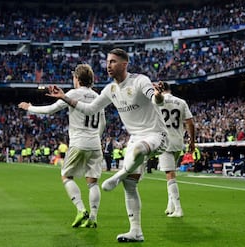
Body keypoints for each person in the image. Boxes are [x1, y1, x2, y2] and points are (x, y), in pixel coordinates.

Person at [44, 48, 168, 243]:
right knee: (131, 185)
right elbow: (90, 108)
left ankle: (119, 175)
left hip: (156, 134)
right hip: (135, 136)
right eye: (108, 61)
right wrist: (64, 97)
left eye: (113, 61)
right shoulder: (110, 90)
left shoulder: (139, 80)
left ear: (124, 64)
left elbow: (155, 98)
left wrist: (159, 96)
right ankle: (136, 231)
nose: (108, 65)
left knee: (136, 151)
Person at [18, 64, 106, 229]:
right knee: (93, 182)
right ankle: (93, 218)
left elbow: (50, 110)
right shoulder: (98, 96)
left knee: (66, 176)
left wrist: (29, 107)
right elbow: (103, 123)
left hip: (79, 142)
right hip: (95, 143)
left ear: (77, 78)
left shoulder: (73, 94)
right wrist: (95, 137)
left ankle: (81, 210)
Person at [157, 81, 195, 217]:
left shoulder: (157, 101)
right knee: (171, 172)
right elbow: (190, 122)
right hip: (178, 141)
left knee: (170, 175)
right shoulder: (181, 102)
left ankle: (178, 209)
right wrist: (192, 141)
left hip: (164, 141)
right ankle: (170, 206)